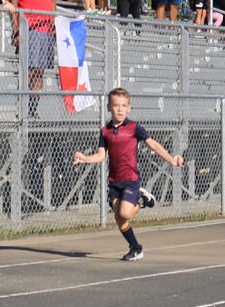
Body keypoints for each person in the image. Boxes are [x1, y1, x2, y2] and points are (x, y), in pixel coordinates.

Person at [72, 87, 184, 261]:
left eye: (124, 105)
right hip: (114, 181)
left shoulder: (134, 128)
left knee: (125, 213)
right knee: (119, 218)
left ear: (129, 108)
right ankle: (136, 248)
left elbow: (152, 144)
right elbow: (101, 155)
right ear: (109, 107)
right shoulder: (105, 131)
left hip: (130, 179)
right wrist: (84, 158)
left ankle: (142, 200)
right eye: (116, 105)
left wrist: (171, 159)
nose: (120, 109)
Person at [8, 0, 58, 117]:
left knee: (39, 73)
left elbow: (52, 1)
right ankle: (21, 111)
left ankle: (32, 111)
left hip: (46, 30)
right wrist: (16, 31)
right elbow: (12, 6)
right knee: (27, 72)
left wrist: (53, 25)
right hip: (28, 29)